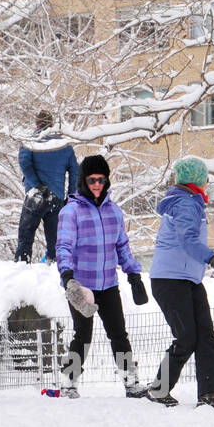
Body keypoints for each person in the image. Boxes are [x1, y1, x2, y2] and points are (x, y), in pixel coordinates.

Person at [146, 156, 214, 409]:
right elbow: (188, 241)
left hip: (186, 280)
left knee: (205, 336)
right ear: (196, 179)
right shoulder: (185, 204)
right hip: (170, 280)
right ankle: (159, 389)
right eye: (205, 177)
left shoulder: (190, 202)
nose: (208, 182)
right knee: (187, 337)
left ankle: (209, 392)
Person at [55, 154, 150, 398]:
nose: (97, 184)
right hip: (81, 286)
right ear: (83, 182)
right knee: (83, 335)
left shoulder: (113, 211)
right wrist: (67, 277)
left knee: (119, 333)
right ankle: (69, 382)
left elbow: (122, 246)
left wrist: (133, 274)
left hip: (108, 284)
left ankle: (131, 382)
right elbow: (64, 246)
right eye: (91, 180)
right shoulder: (71, 211)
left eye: (101, 179)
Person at [15, 110, 79, 264]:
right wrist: (70, 197)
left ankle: (23, 266)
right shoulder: (64, 145)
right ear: (52, 124)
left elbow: (25, 164)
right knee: (55, 240)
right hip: (56, 197)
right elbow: (75, 172)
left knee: (26, 236)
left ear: (37, 124)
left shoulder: (30, 141)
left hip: (35, 196)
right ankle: (54, 269)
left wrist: (37, 185)